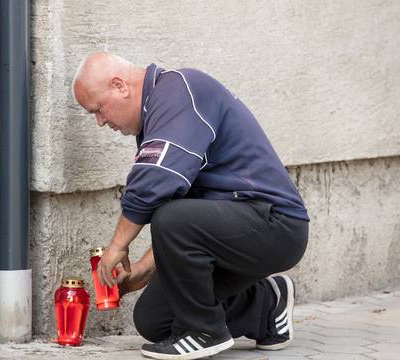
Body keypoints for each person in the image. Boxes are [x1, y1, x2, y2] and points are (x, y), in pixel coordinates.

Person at [72, 52, 309, 360]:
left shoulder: (179, 90)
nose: (100, 122)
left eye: (98, 109)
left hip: (277, 223)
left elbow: (155, 187)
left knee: (170, 218)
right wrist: (142, 271)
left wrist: (118, 245)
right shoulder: (160, 115)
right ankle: (267, 304)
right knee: (155, 318)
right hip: (234, 227)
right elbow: (189, 219)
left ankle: (206, 332)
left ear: (119, 86)